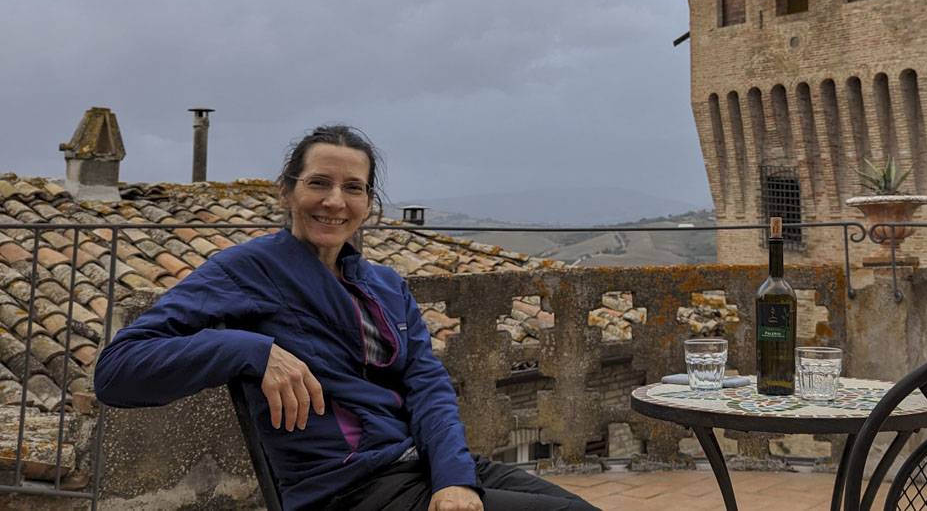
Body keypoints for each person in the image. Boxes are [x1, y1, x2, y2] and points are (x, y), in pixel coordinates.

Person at [95, 125, 600, 511]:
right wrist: (250, 351)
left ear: (368, 203)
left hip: (420, 464)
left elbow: (428, 386)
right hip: (348, 488)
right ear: (286, 193)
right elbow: (117, 372)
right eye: (319, 183)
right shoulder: (248, 270)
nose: (335, 201)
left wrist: (452, 479)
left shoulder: (386, 285)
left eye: (352, 188)